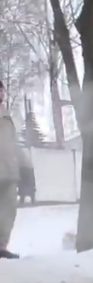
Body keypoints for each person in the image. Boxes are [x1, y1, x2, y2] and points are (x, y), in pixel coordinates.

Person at [0, 80, 31, 259]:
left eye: (1, 90)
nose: (1, 94)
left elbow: (14, 144)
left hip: (9, 173)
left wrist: (26, 166)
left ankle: (1, 246)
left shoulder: (7, 118)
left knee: (9, 211)